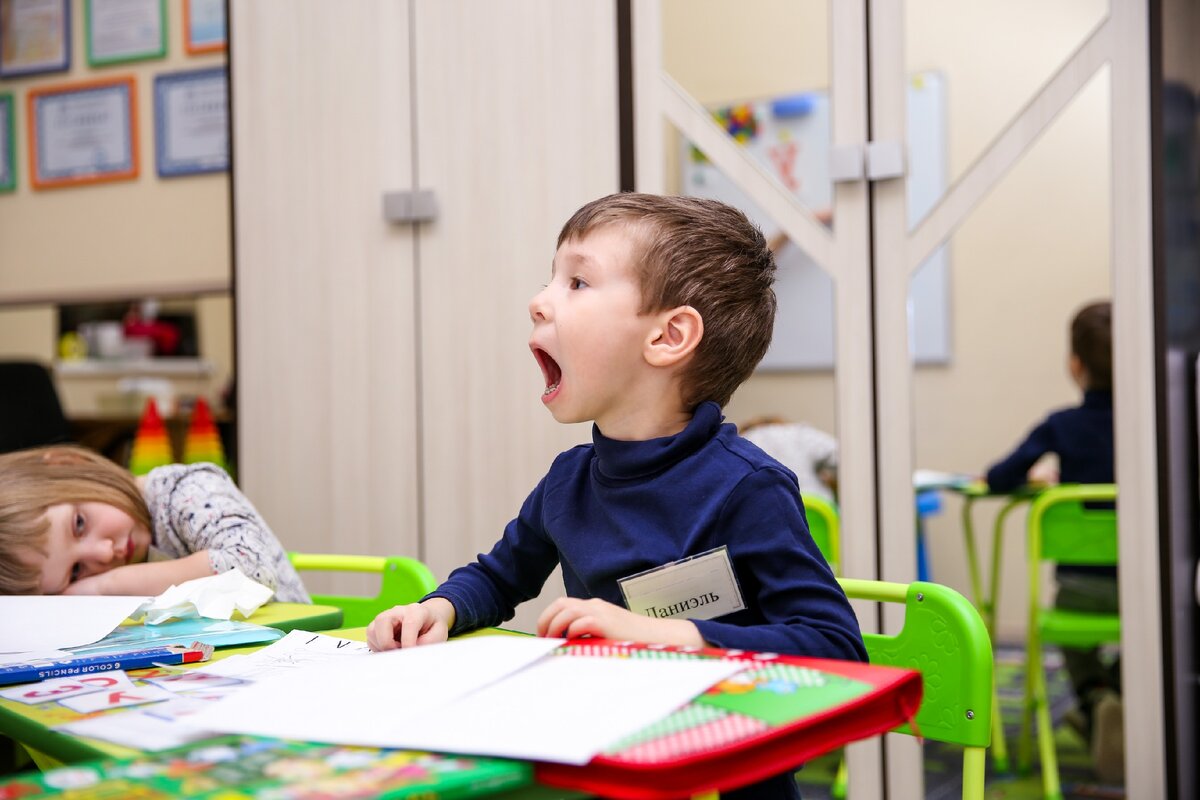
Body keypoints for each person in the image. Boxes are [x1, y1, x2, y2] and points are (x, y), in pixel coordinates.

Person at [367, 192, 865, 799]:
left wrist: (673, 637)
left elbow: (836, 646)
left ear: (667, 337)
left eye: (577, 282)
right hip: (606, 761)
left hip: (727, 780)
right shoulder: (568, 481)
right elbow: (498, 579)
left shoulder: (747, 487)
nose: (539, 300)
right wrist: (439, 609)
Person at [983, 299, 1120, 782]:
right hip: (1148, 592)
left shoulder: (1061, 425)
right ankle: (1125, 694)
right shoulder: (1156, 424)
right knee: (1145, 636)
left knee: (1072, 637)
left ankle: (1094, 695)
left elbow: (1000, 478)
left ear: (1075, 364)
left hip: (1080, 592)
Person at [0, 444, 310, 602]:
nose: (105, 553)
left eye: (79, 524)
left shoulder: (185, 491)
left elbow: (252, 567)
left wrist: (106, 586)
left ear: (69, 466)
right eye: (76, 571)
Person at [738, 415, 838, 503]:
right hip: (814, 509)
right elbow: (840, 455)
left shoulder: (742, 441)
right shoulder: (799, 433)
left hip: (767, 509)